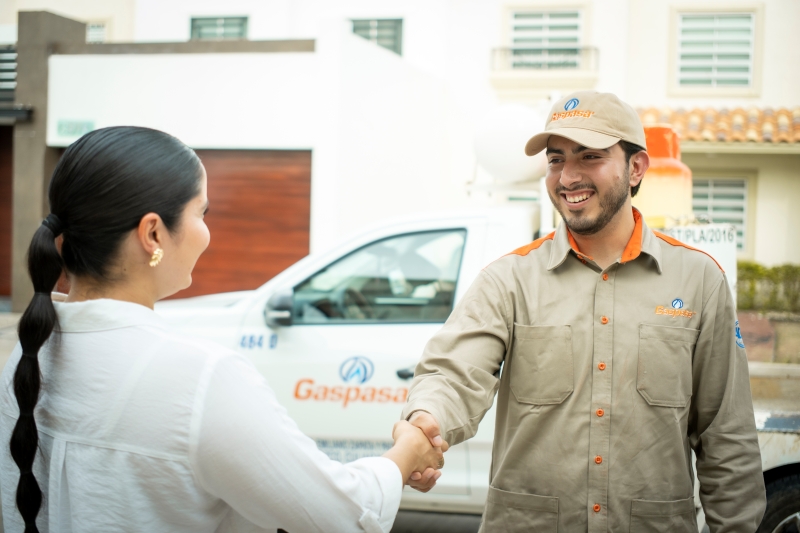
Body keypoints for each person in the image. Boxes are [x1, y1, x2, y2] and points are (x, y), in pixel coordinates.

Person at [0, 126, 442, 533]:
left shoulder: (26, 356)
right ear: (153, 233)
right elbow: (343, 516)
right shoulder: (199, 377)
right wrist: (406, 454)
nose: (207, 232)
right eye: (202, 212)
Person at [402, 91, 766, 532]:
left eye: (589, 156)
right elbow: (453, 374)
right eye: (556, 160)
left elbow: (726, 437)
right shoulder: (509, 279)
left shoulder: (699, 281)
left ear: (636, 168)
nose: (568, 176)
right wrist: (425, 422)